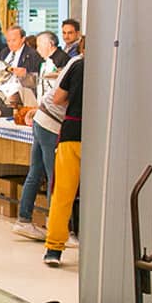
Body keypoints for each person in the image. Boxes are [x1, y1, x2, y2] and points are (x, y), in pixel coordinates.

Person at [13, 39, 84, 243]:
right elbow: (58, 99)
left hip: (42, 118)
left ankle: (24, 219)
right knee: (58, 179)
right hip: (52, 122)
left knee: (36, 172)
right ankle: (61, 231)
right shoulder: (79, 66)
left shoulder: (74, 62)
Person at [44, 54, 86, 267]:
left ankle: (54, 248)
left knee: (63, 193)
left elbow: (58, 98)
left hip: (73, 132)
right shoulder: (117, 67)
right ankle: (99, 246)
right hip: (103, 137)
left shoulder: (78, 65)